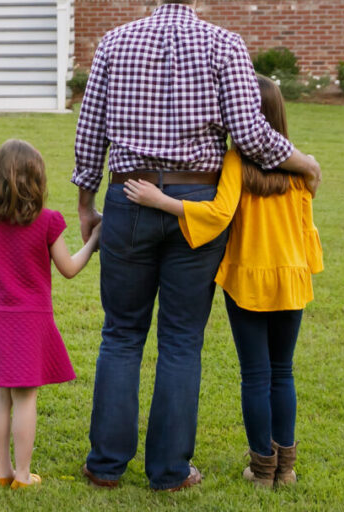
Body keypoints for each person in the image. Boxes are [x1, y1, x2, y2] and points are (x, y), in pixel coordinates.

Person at [72, 0, 323, 492]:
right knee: (181, 340)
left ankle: (106, 465)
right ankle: (168, 472)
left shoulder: (114, 43)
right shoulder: (225, 46)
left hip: (129, 196)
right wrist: (303, 161)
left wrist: (87, 204)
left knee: (120, 335)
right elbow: (252, 134)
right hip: (199, 208)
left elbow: (89, 132)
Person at [125, 75, 323, 489]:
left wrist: (161, 201)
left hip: (247, 281)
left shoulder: (234, 161)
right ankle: (285, 470)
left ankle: (263, 469)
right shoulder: (301, 168)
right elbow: (307, 228)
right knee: (282, 372)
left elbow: (217, 215)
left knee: (255, 374)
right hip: (291, 280)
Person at [0, 139, 101, 490]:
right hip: (32, 322)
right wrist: (94, 241)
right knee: (26, 400)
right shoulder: (47, 221)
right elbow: (68, 268)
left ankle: (3, 471)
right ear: (37, 181)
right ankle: (22, 474)